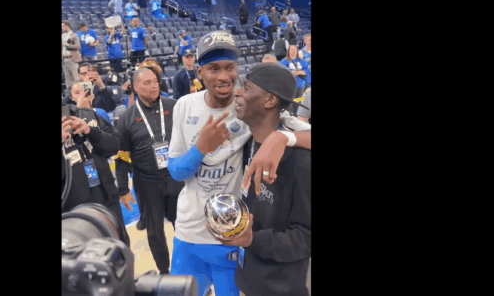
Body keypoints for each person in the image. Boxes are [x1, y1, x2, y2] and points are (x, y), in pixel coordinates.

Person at [167, 31, 311, 296]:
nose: (224, 77)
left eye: (230, 68)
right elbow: (176, 171)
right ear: (199, 72)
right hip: (189, 232)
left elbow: (291, 127)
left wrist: (282, 137)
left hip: (234, 238)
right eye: (214, 69)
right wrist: (200, 149)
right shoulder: (185, 105)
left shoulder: (248, 105)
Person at [208, 63, 311, 296]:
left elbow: (306, 237)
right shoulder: (248, 144)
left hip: (280, 287)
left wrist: (252, 239)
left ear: (270, 100)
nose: (237, 92)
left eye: (246, 87)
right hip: (248, 276)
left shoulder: (301, 160)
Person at [115, 67, 184, 275]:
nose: (154, 86)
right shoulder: (127, 118)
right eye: (147, 83)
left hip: (176, 177)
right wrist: (123, 189)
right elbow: (122, 156)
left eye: (155, 81)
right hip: (147, 183)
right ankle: (164, 272)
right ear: (136, 87)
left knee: (183, 225)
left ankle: (186, 266)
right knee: (155, 231)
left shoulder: (174, 106)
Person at [61, 88, 124, 226]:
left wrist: (90, 131)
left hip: (108, 200)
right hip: (76, 213)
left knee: (119, 238)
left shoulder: (87, 114)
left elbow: (114, 145)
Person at [62, 20, 82, 90]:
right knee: (67, 79)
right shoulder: (62, 36)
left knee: (76, 78)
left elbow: (78, 46)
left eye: (63, 26)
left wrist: (67, 45)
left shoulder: (73, 35)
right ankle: (69, 93)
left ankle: (79, 92)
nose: (62, 28)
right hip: (64, 60)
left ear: (67, 26)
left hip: (72, 59)